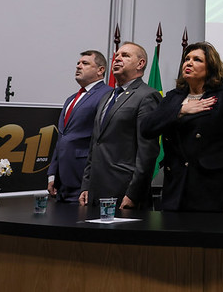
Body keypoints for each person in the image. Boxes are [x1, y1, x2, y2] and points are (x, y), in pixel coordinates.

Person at [141, 42, 223, 213]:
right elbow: (146, 128)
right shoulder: (173, 97)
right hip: (175, 187)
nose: (188, 63)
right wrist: (181, 110)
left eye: (197, 59)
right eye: (186, 59)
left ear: (211, 67)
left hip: (210, 188)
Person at [79, 42, 161, 208]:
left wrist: (134, 194)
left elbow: (148, 152)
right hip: (95, 192)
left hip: (124, 192)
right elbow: (95, 144)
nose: (117, 59)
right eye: (117, 56)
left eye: (125, 56)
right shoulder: (106, 96)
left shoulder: (147, 96)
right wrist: (87, 185)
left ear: (140, 64)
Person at [47, 50, 111, 203]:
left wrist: (90, 181)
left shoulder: (107, 94)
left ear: (100, 70)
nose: (78, 66)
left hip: (83, 178)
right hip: (62, 181)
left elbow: (102, 139)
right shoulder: (71, 99)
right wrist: (52, 174)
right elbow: (62, 138)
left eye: (85, 63)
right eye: (78, 63)